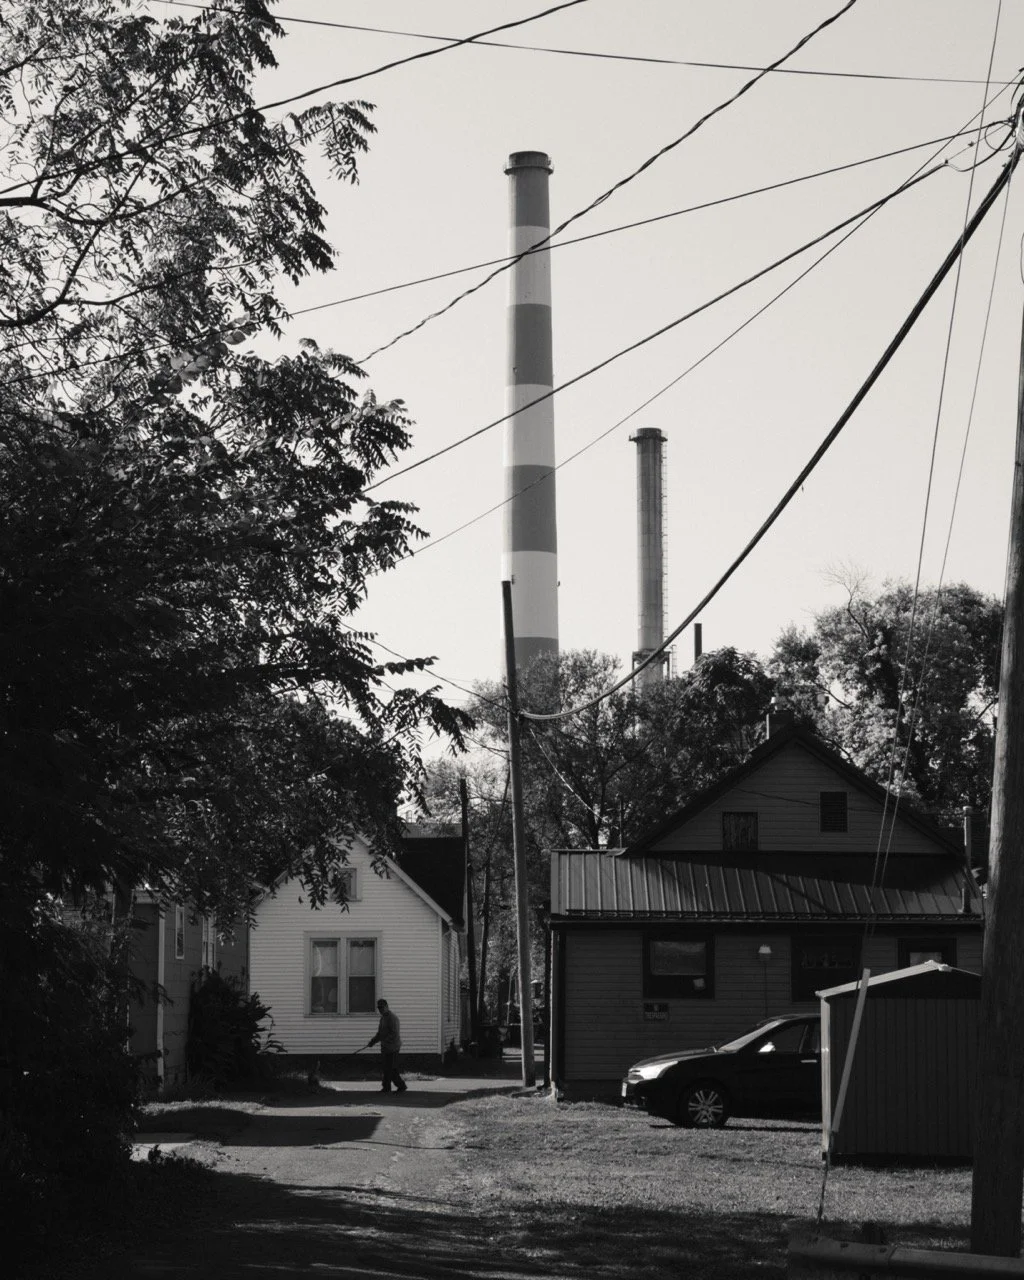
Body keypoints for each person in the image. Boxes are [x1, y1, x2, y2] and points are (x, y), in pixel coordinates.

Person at [366, 998, 406, 1093]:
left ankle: (401, 1086)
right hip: (385, 1047)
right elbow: (380, 1033)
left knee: (392, 1068)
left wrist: (384, 1040)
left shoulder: (392, 1018)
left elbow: (394, 1034)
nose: (380, 1010)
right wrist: (373, 1041)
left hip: (393, 1047)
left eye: (382, 1007)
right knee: (386, 1068)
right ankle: (386, 1087)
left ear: (387, 1007)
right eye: (379, 1008)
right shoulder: (383, 1018)